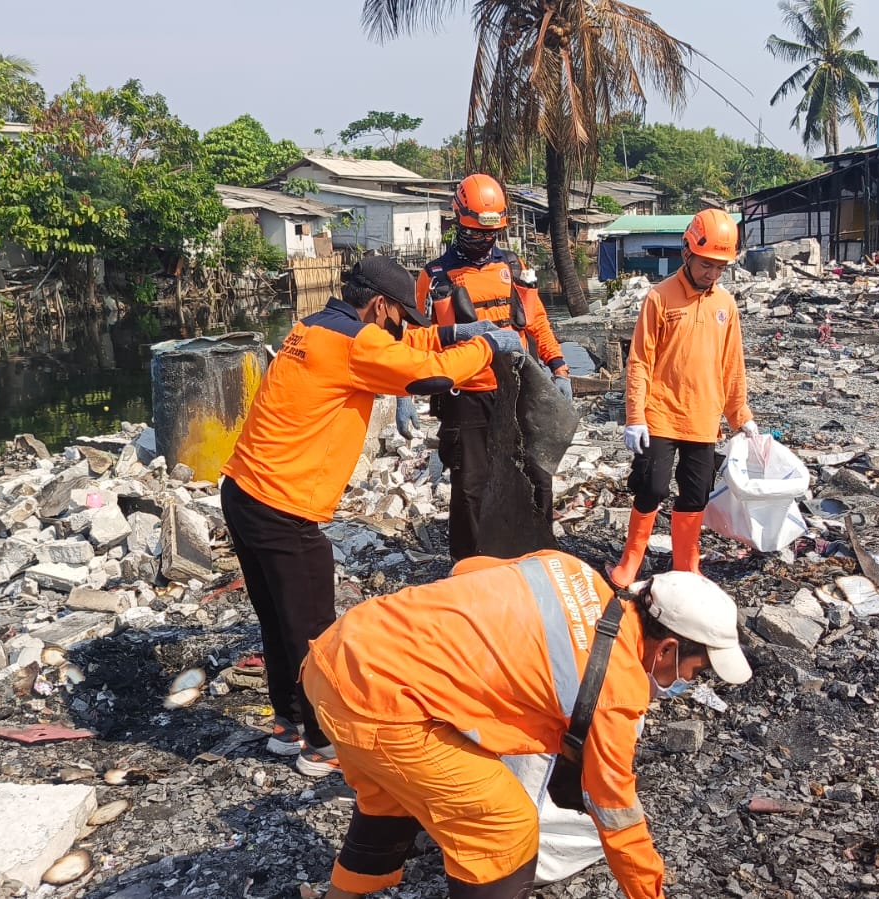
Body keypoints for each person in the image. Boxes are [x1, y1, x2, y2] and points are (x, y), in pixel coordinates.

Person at [301, 550, 751, 898]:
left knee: (391, 798)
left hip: (341, 651)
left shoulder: (570, 570)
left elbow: (470, 568)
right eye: (696, 671)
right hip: (381, 702)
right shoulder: (616, 688)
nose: (689, 683)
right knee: (506, 827)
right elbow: (617, 815)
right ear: (667, 649)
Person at [221, 256, 521, 777]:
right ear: (379, 305)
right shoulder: (356, 344)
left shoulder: (314, 327)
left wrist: (455, 332)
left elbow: (407, 347)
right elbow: (427, 374)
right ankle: (322, 743)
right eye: (399, 314)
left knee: (278, 619)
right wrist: (486, 346)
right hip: (281, 506)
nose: (403, 325)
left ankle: (289, 725)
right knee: (314, 630)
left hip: (243, 492)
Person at [413, 173, 574, 561]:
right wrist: (407, 389)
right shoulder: (435, 278)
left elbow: (536, 323)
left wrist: (559, 366)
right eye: (475, 233)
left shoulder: (513, 267)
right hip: (466, 395)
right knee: (471, 485)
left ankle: (536, 551)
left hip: (517, 388)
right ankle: (467, 563)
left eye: (491, 234)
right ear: (458, 222)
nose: (484, 241)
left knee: (537, 473)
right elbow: (417, 340)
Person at [607, 208, 756, 589]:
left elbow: (732, 365)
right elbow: (640, 360)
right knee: (651, 487)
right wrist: (634, 416)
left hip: (704, 419)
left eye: (720, 268)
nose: (712, 274)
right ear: (687, 253)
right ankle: (631, 561)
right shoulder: (660, 298)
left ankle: (686, 564)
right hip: (660, 414)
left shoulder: (726, 305)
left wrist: (741, 417)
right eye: (707, 265)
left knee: (695, 493)